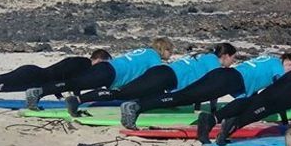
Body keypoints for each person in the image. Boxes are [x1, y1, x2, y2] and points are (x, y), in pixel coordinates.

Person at [120, 53, 291, 129]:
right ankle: (136, 106)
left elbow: (251, 97)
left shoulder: (266, 61)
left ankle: (136, 106)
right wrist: (283, 119)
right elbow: (279, 91)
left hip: (223, 75)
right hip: (228, 79)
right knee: (182, 98)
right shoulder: (278, 66)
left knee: (181, 96)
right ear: (287, 62)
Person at [65, 43, 238, 117]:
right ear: (225, 56)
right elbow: (211, 89)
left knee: (125, 92)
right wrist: (213, 109)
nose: (234, 62)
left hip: (162, 73)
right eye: (233, 59)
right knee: (123, 93)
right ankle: (79, 101)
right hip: (166, 78)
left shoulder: (204, 56)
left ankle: (78, 99)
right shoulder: (215, 65)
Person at [25, 39, 174, 109]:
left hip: (108, 66)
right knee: (77, 83)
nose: (171, 54)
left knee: (76, 82)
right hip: (112, 73)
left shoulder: (144, 51)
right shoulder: (155, 58)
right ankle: (39, 92)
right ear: (164, 49)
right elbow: (153, 80)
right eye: (170, 51)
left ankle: (43, 93)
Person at [0, 49, 111, 93]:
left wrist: (58, 90)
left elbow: (63, 74)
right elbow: (69, 78)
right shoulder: (83, 63)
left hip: (33, 75)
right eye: (104, 63)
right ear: (99, 59)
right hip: (32, 76)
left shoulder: (80, 61)